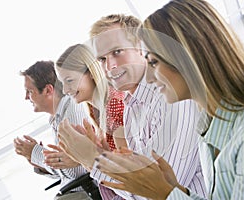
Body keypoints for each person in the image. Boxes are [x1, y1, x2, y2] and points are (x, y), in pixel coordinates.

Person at [93, 0, 244, 199]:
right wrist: (178, 191)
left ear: (187, 58)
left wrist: (166, 194)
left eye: (154, 62)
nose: (149, 77)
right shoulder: (209, 124)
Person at [57, 14, 207, 199]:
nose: (110, 66)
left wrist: (93, 159)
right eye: (102, 59)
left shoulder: (171, 96)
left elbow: (156, 191)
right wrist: (100, 156)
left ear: (140, 46)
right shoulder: (130, 108)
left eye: (117, 52)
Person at [13, 60, 94, 200]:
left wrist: (36, 153)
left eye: (29, 91)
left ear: (48, 90)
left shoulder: (72, 112)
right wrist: (38, 161)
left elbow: (76, 171)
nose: (26, 97)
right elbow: (66, 172)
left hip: (85, 193)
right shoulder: (57, 117)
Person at [55, 43, 126, 200]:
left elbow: (126, 167)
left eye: (70, 81)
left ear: (91, 73)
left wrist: (84, 157)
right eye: (62, 83)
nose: (66, 90)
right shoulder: (95, 111)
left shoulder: (114, 105)